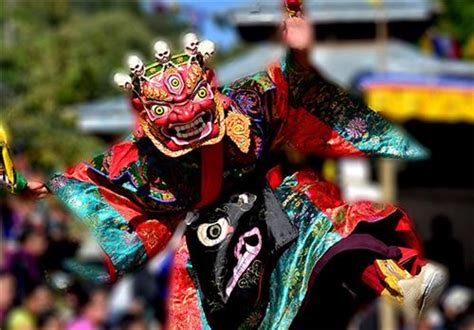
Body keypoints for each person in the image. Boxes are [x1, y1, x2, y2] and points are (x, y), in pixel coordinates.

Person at [4, 1, 447, 328]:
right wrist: (26, 182)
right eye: (169, 114)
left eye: (193, 104)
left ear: (211, 89)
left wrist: (299, 42)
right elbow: (82, 180)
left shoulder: (248, 102)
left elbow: (292, 82)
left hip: (278, 204)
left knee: (330, 227)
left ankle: (399, 282)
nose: (185, 118)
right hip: (212, 240)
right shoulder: (142, 158)